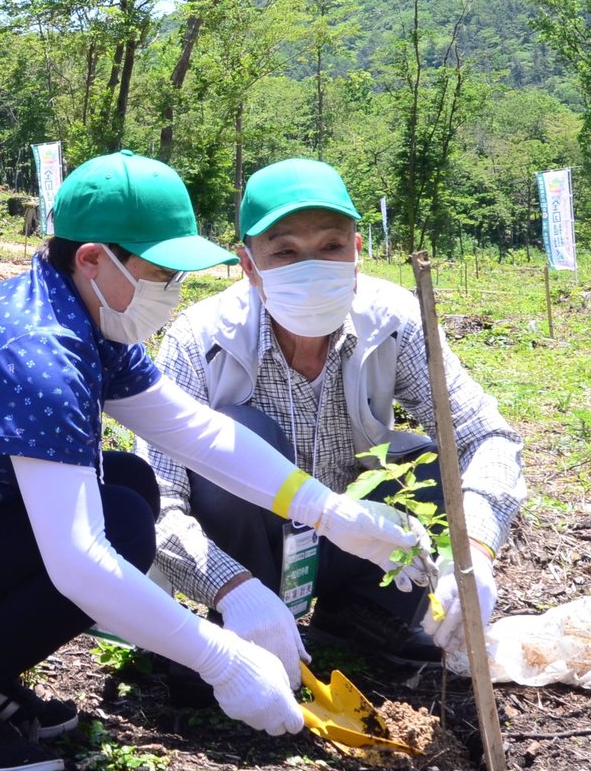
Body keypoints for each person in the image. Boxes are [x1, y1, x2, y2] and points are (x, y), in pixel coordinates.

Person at [0, 150, 437, 771]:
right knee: (118, 522)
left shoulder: (84, 319)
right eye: (162, 273)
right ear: (94, 260)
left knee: (127, 487)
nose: (174, 293)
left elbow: (195, 431)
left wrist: (327, 512)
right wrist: (223, 661)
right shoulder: (40, 352)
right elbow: (77, 560)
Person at [136, 158, 525, 674]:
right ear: (248, 265)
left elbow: (486, 437)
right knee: (237, 439)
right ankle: (246, 616)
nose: (312, 267)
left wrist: (473, 549)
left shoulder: (393, 322)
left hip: (362, 542)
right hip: (246, 552)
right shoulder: (201, 339)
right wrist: (229, 588)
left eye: (330, 246)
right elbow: (158, 502)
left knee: (433, 466)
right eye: (285, 252)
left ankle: (362, 614)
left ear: (357, 252)